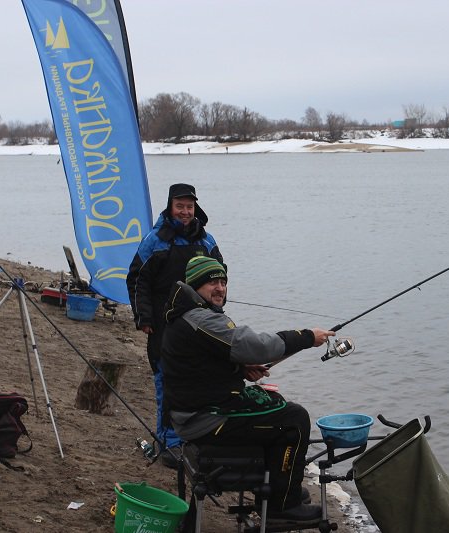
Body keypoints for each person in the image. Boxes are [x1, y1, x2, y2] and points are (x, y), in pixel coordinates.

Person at [161, 256, 334, 522]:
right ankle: (283, 506)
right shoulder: (201, 319)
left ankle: (280, 488)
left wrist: (238, 370)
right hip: (205, 419)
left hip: (192, 412)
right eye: (211, 282)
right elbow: (256, 345)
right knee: (295, 419)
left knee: (274, 401)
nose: (219, 288)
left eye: (223, 282)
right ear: (195, 286)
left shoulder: (187, 314)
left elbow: (199, 365)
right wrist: (306, 337)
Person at [126, 183, 225, 464]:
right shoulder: (154, 240)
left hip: (201, 325)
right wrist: (143, 317)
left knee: (202, 381)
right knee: (167, 384)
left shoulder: (206, 241)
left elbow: (220, 277)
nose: (185, 211)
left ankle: (196, 440)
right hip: (163, 325)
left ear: (195, 209)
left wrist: (218, 310)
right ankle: (169, 444)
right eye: (180, 206)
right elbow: (136, 280)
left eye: (189, 207)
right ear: (170, 206)